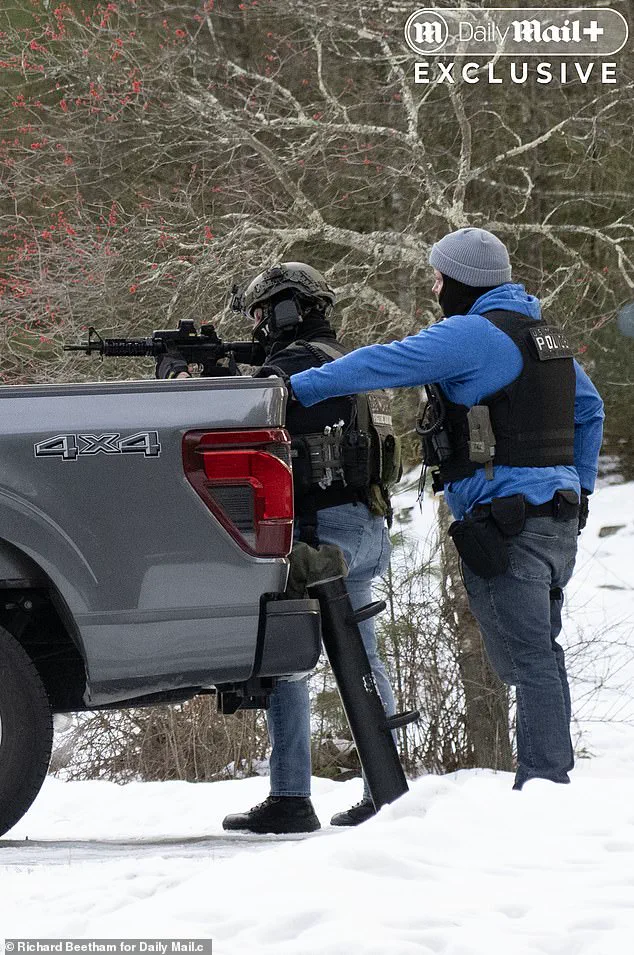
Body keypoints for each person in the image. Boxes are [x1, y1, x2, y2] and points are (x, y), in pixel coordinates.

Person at [288, 229, 604, 791]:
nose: (435, 289)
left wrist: (296, 387)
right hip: (557, 518)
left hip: (508, 521)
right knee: (540, 652)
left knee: (526, 659)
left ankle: (544, 782)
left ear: (462, 281)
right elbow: (589, 409)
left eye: (438, 278)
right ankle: (548, 779)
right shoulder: (541, 333)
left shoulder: (474, 335)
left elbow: (386, 363)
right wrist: (580, 486)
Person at [157, 262, 399, 831]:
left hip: (324, 533)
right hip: (362, 525)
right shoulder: (338, 356)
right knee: (362, 659)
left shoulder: (301, 363)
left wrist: (183, 378)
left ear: (289, 309)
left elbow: (236, 410)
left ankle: (292, 797)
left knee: (288, 658)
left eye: (263, 313)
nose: (258, 324)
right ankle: (385, 789)